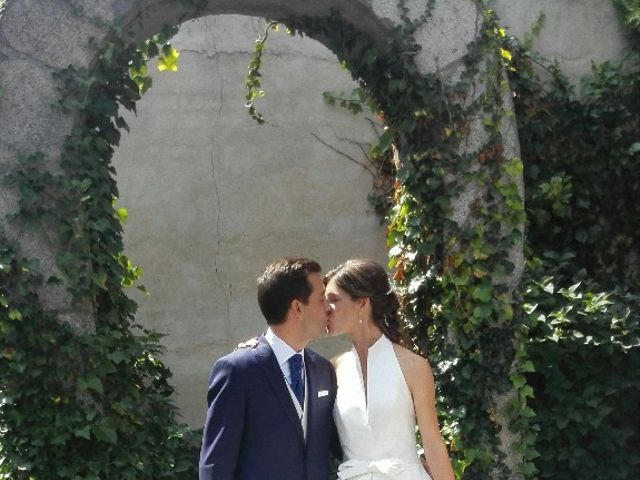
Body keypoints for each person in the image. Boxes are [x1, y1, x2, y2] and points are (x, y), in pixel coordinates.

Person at [198, 257, 338, 480]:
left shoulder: (323, 370)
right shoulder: (238, 370)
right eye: (322, 299)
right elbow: (216, 464)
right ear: (297, 307)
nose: (329, 308)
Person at [324, 259, 455, 480]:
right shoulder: (332, 368)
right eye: (324, 301)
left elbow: (433, 443)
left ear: (362, 304)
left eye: (334, 300)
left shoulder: (413, 366)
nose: (326, 308)